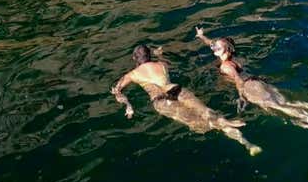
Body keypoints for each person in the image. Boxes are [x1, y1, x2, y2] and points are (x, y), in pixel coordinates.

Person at [195, 27, 308, 134]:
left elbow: (237, 80)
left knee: (281, 108)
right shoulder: (233, 59)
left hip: (250, 87)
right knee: (286, 103)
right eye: (214, 46)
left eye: (217, 47)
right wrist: (202, 36)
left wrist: (241, 95)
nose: (214, 48)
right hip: (258, 81)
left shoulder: (226, 67)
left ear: (226, 50)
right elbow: (211, 43)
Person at [111, 44, 262, 155]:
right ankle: (244, 141)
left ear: (134, 58)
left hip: (161, 100)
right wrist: (159, 54)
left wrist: (128, 105)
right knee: (207, 112)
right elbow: (164, 61)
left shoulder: (132, 74)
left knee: (198, 124)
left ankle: (241, 140)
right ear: (149, 56)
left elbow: (117, 91)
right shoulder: (161, 64)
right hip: (177, 90)